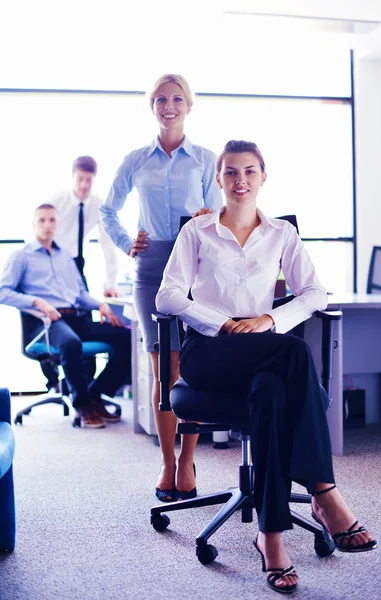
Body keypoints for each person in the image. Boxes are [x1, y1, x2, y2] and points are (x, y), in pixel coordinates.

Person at [156, 140, 377, 594]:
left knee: (273, 393)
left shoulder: (281, 234)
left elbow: (316, 293)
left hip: (260, 352)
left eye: (250, 172)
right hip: (208, 352)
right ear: (218, 179)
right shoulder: (196, 233)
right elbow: (168, 297)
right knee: (294, 354)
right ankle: (324, 493)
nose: (240, 181)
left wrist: (269, 320)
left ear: (262, 178)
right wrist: (226, 323)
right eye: (231, 172)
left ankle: (270, 536)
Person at [100, 74, 223, 502]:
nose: (168, 106)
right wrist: (125, 242)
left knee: (190, 367)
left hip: (195, 264)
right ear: (152, 106)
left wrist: (211, 216)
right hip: (152, 266)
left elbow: (222, 214)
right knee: (162, 369)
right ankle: (167, 461)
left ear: (189, 105)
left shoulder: (206, 158)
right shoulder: (136, 159)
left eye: (176, 99)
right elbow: (107, 209)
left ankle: (188, 460)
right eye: (160, 99)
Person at [0, 204, 131, 429]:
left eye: (52, 220)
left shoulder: (66, 258)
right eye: (41, 220)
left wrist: (101, 305)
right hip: (47, 322)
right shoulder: (21, 257)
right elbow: (3, 292)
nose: (47, 225)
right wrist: (38, 302)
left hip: (76, 317)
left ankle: (97, 394)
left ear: (58, 224)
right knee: (71, 343)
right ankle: (82, 403)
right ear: (33, 224)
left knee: (126, 337)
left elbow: (79, 294)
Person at [42, 156, 120, 392]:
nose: (84, 185)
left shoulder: (98, 204)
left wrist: (111, 281)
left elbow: (108, 245)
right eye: (80, 179)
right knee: (54, 322)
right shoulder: (57, 201)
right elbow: (38, 230)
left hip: (77, 264)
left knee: (85, 322)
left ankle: (85, 387)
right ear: (73, 176)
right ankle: (52, 375)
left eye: (89, 180)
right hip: (51, 263)